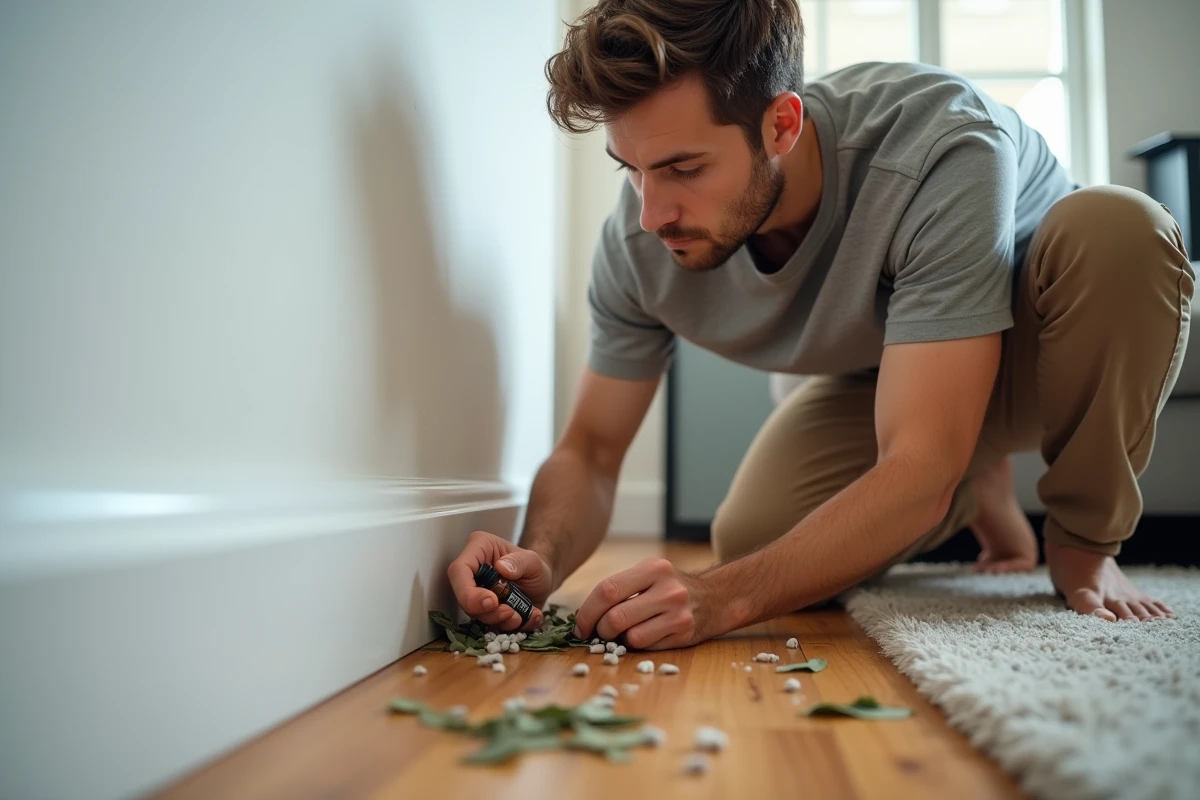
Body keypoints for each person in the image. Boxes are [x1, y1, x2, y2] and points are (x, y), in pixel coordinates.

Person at [447, 0, 1193, 649]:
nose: (652, 214)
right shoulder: (636, 242)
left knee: (1122, 228)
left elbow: (917, 469)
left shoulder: (938, 143)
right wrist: (538, 558)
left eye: (683, 168)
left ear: (781, 124)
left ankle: (1084, 545)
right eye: (629, 169)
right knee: (754, 544)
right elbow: (593, 448)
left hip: (1043, 342)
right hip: (881, 374)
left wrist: (719, 599)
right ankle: (979, 473)